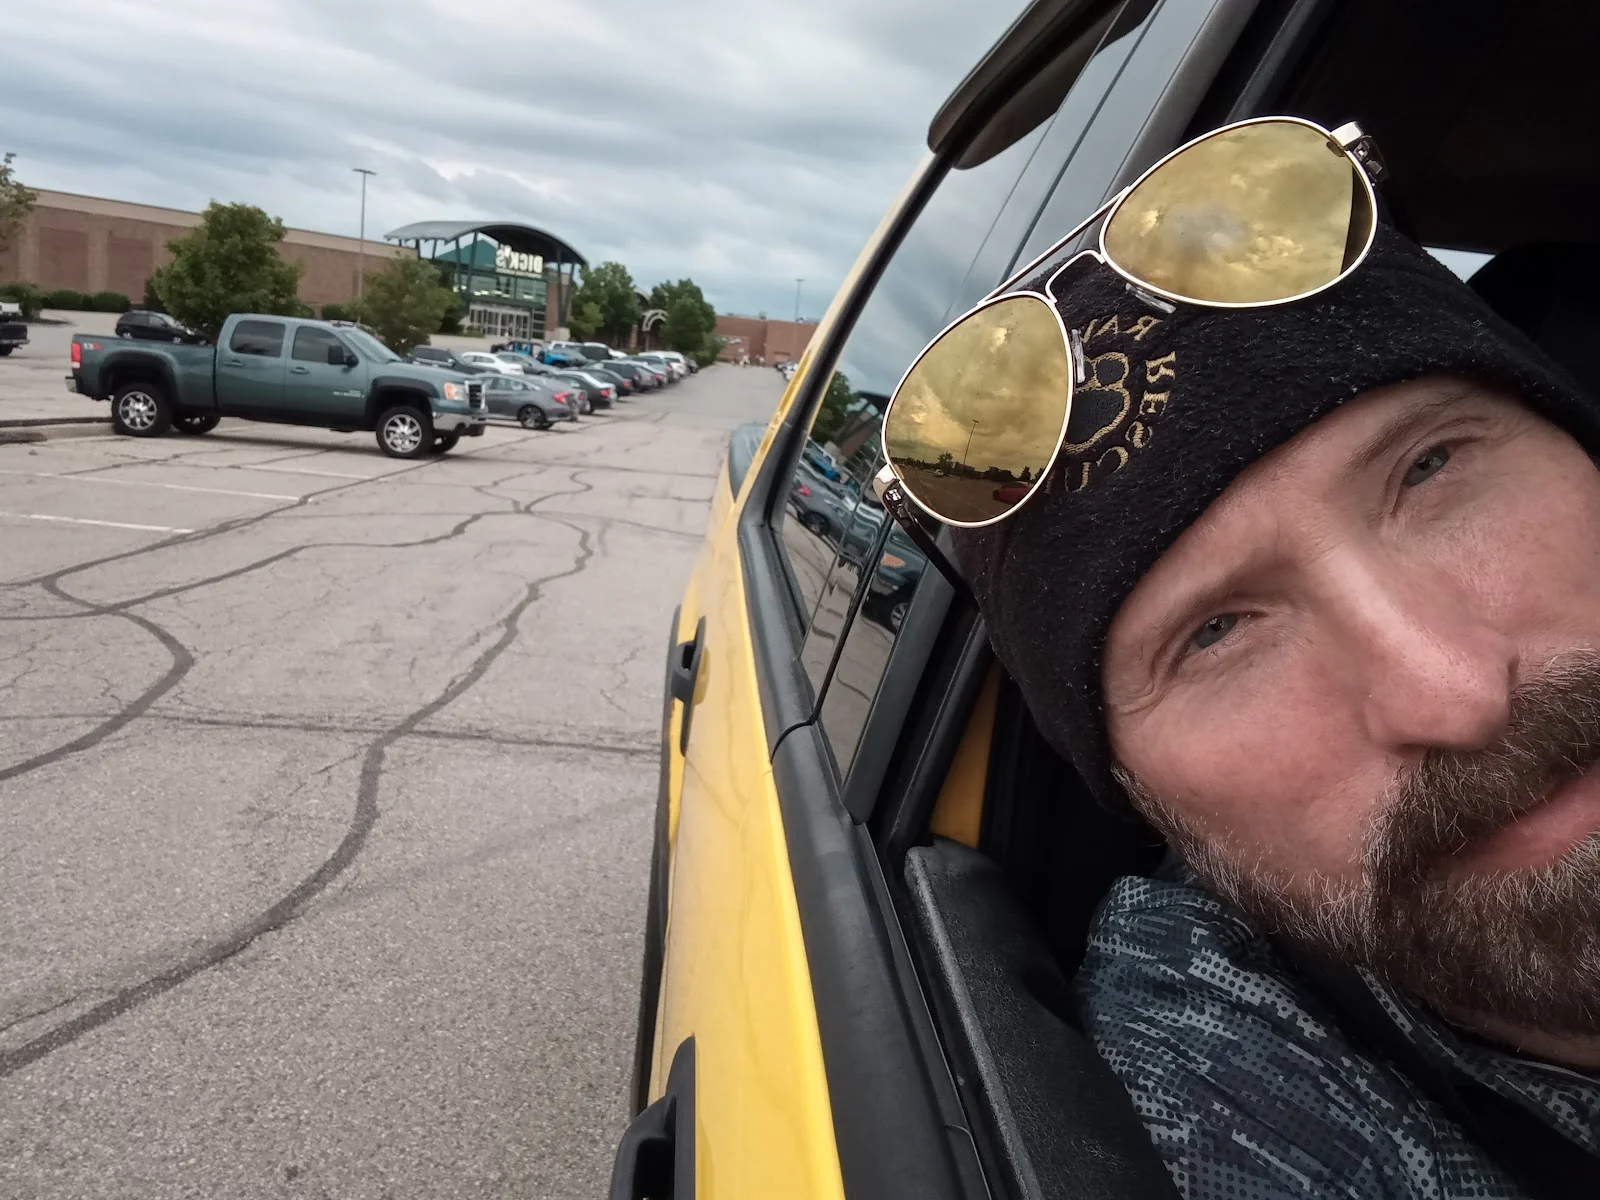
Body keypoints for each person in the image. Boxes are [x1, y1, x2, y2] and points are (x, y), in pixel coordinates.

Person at [948, 222, 1600, 1198]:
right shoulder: (1213, 1088)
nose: (1457, 696)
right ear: (1138, 795)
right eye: (1214, 633)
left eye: (1431, 467)